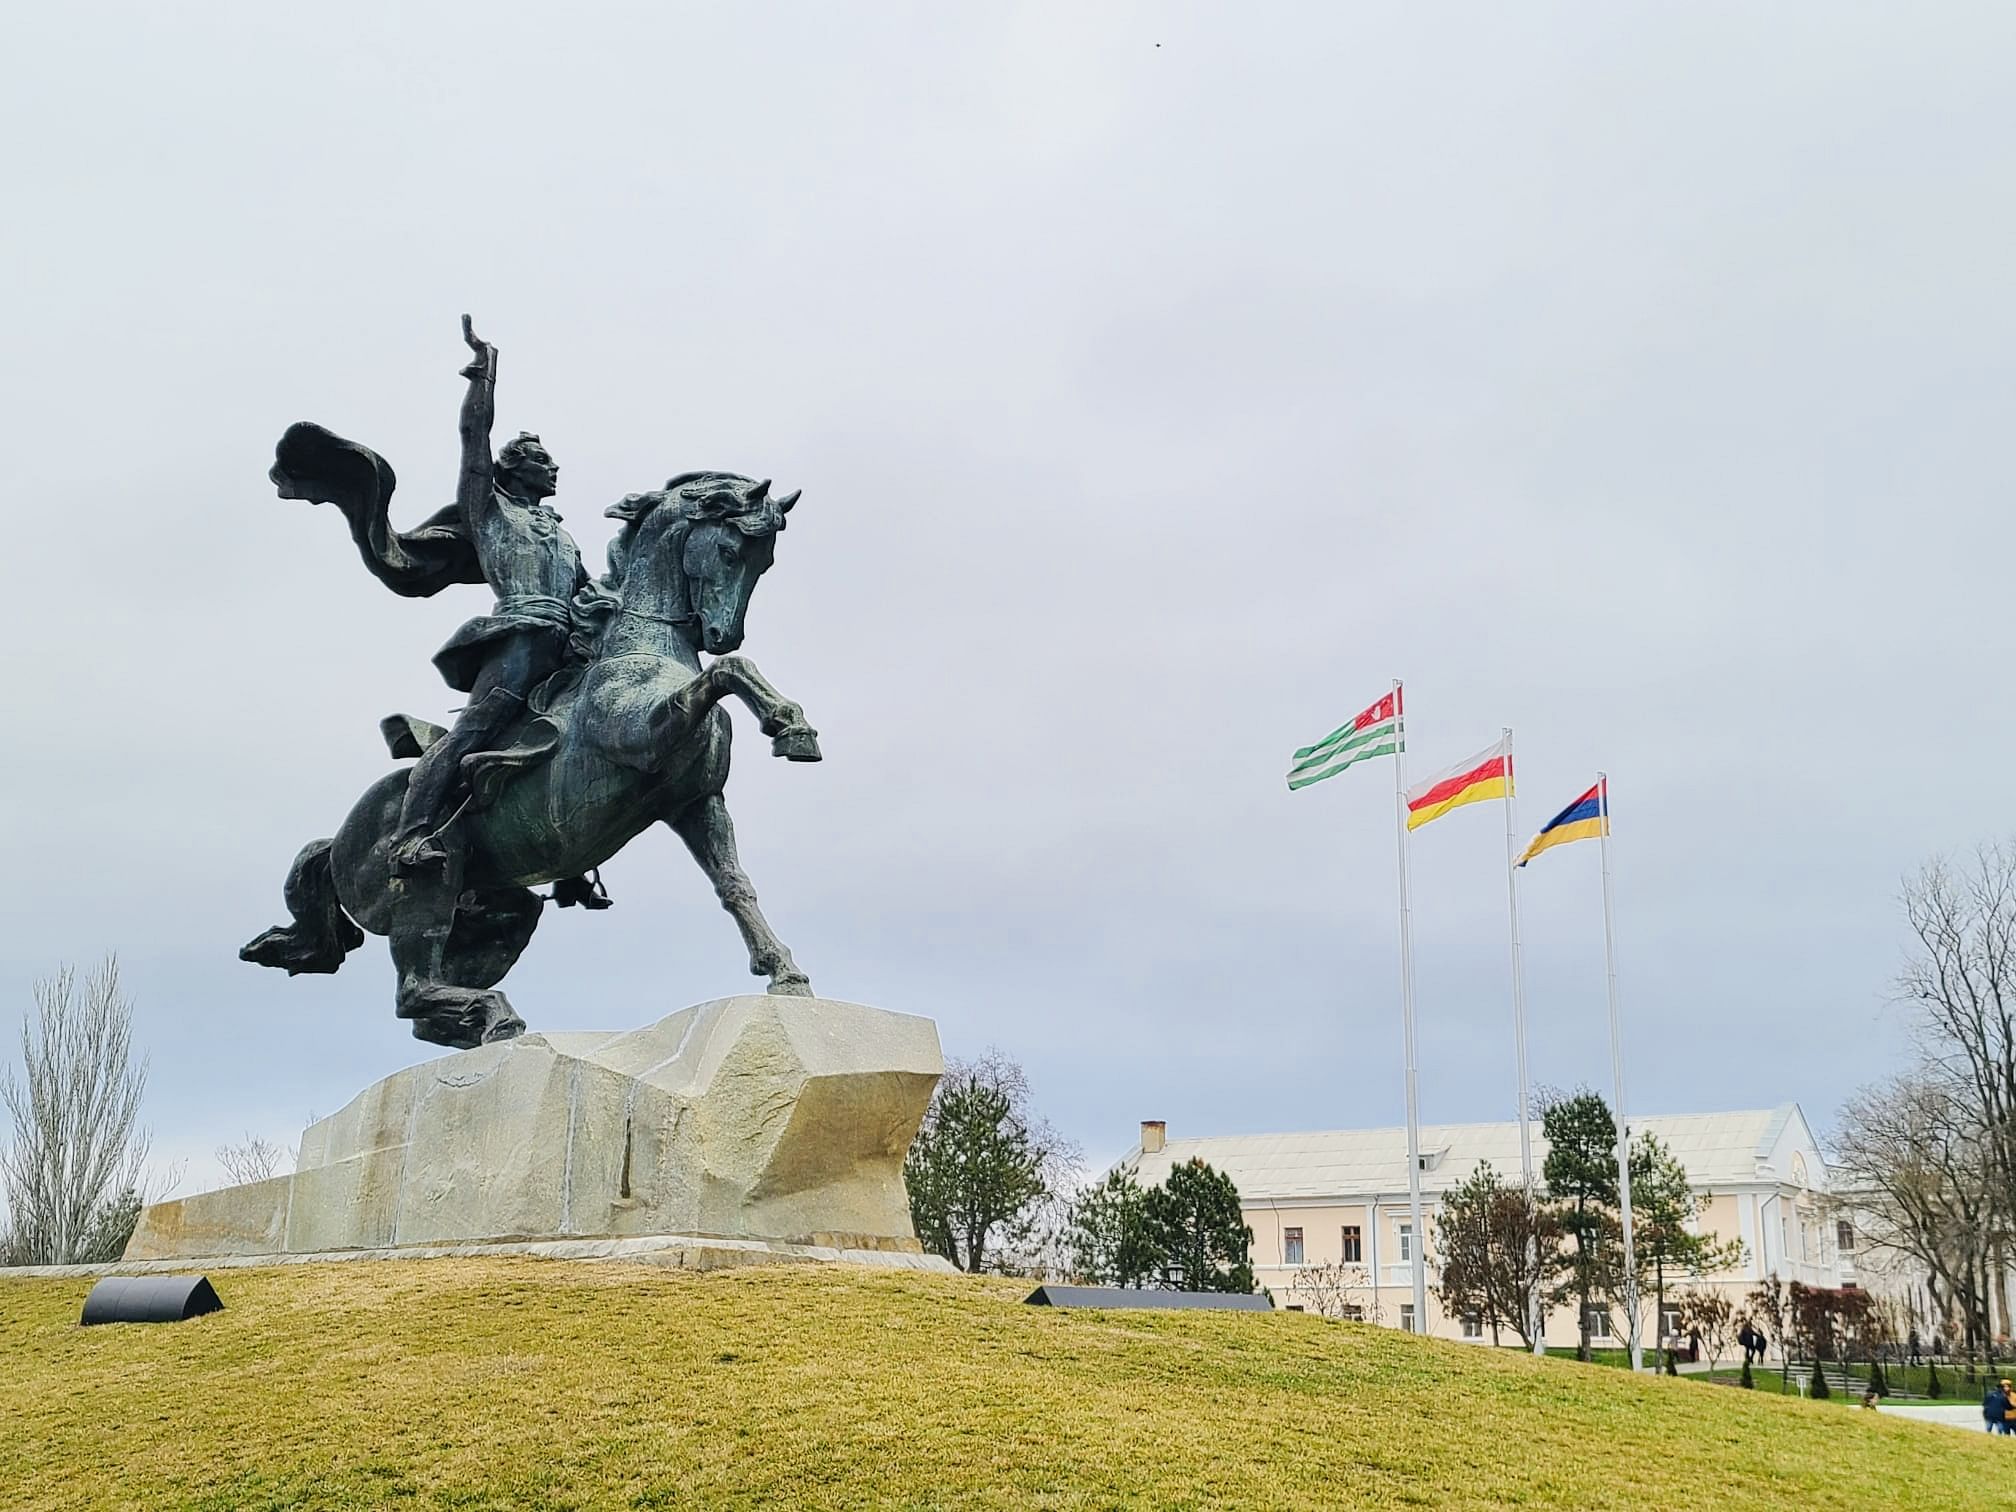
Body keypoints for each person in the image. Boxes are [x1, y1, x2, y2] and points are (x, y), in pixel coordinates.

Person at [391, 316, 589, 875]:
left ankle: (577, 861)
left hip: (568, 646)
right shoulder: (490, 510)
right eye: (543, 460)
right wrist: (484, 377)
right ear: (515, 468)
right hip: (518, 641)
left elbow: (590, 594)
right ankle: (411, 834)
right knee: (473, 732)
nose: (554, 468)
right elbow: (473, 441)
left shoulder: (563, 536)